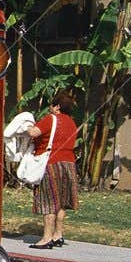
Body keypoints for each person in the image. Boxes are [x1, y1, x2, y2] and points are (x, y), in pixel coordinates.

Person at [28, 90, 79, 249]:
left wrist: (26, 124)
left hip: (51, 163)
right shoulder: (72, 123)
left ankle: (46, 238)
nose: (50, 108)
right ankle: (58, 235)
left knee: (48, 201)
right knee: (61, 201)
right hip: (68, 164)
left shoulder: (51, 119)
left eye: (51, 105)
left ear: (57, 107)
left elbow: (33, 132)